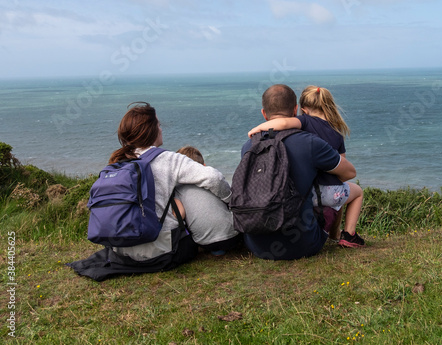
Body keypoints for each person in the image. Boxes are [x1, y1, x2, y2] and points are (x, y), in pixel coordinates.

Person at [67, 102, 232, 281]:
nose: (161, 129)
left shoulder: (117, 162)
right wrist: (230, 200)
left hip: (121, 254)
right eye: (159, 125)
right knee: (187, 188)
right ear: (153, 131)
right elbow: (213, 178)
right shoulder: (169, 159)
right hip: (163, 253)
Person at [239, 84, 357, 260]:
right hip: (302, 245)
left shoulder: (248, 146)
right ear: (295, 110)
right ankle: (342, 235)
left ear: (264, 114)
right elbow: (349, 173)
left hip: (256, 245)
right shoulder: (310, 143)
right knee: (332, 192)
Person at [175, 146, 242, 256]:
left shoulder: (178, 188)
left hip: (204, 243)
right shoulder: (210, 180)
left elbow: (180, 214)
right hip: (234, 237)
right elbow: (229, 200)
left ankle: (215, 248)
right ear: (204, 166)